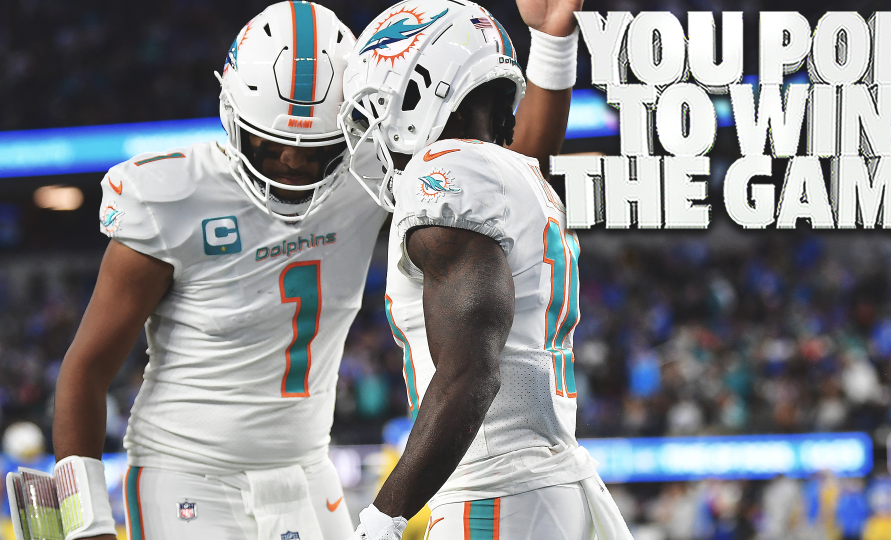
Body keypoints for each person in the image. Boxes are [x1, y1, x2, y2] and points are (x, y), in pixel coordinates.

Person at [51, 1, 582, 539]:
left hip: (308, 470)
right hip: (188, 474)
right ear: (232, 115)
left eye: (317, 151)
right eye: (272, 145)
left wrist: (554, 40)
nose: (293, 165)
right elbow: (86, 368)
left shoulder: (366, 171)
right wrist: (84, 522)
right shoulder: (171, 198)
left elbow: (509, 173)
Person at [338, 1, 632, 538]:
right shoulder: (505, 174)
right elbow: (531, 154)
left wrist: (378, 523)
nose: (375, 129)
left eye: (381, 104)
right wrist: (551, 41)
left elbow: (472, 372)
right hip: (545, 490)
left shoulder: (444, 174)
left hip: (493, 498)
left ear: (424, 88)